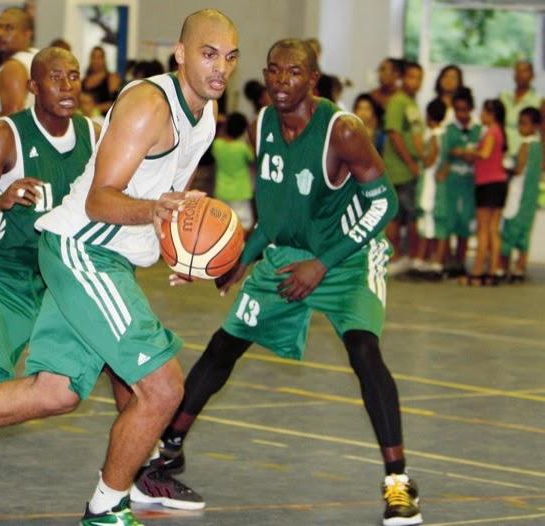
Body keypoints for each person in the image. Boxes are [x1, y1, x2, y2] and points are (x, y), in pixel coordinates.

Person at [0, 11, 237, 525]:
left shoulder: (203, 115)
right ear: (181, 53)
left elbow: (160, 199)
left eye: (230, 57)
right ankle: (107, 509)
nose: (220, 68)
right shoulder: (147, 105)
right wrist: (159, 213)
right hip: (84, 249)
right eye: (209, 54)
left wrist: (179, 250)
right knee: (162, 388)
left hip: (106, 254)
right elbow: (101, 200)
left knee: (55, 391)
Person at [156, 39, 422, 526]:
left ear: (313, 80)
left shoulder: (343, 131)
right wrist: (240, 260)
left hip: (349, 254)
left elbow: (384, 202)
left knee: (365, 352)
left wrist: (322, 264)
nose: (282, 82)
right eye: (274, 72)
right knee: (224, 345)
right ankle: (167, 452)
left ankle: (399, 484)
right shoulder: (263, 124)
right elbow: (273, 213)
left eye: (294, 73)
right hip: (289, 253)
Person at [382, 60, 424, 274]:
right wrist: (409, 162)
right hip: (398, 170)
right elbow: (394, 133)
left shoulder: (412, 103)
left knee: (410, 215)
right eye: (411, 77)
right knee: (395, 216)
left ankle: (406, 256)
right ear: (403, 78)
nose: (415, 82)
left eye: (419, 78)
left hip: (412, 169)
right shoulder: (397, 102)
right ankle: (393, 256)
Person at [461, 99, 508, 286]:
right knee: (493, 230)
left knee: (483, 230)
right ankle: (492, 270)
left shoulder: (491, 132)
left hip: (487, 184)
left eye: (484, 112)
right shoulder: (500, 132)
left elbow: (485, 154)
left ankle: (478, 271)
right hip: (499, 183)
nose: (481, 115)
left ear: (492, 114)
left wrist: (469, 152)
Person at [440, 87, 480, 277]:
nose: (462, 114)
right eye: (458, 110)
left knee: (465, 220)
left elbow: (475, 156)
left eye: (465, 110)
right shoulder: (449, 130)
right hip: (452, 180)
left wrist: (462, 153)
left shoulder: (479, 130)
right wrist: (465, 153)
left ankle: (461, 261)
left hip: (469, 180)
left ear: (471, 109)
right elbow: (449, 152)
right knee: (450, 219)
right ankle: (449, 261)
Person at [499, 107, 542, 282]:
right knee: (525, 233)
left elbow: (518, 169)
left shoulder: (525, 145)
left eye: (524, 123)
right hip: (531, 197)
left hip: (518, 194)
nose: (520, 127)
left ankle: (504, 266)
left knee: (510, 229)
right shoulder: (540, 147)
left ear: (535, 126)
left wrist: (505, 168)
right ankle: (520, 267)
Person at [0, 6, 37, 121]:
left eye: (9, 28)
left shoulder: (13, 67)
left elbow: (13, 125)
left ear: (27, 34)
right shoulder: (37, 56)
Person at [414, 98, 448, 277]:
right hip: (432, 187)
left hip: (432, 188)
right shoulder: (442, 135)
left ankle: (436, 262)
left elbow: (429, 161)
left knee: (435, 224)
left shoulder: (436, 136)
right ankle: (428, 259)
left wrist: (419, 148)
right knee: (429, 224)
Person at [212, 112, 255, 230]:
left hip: (222, 190)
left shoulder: (217, 145)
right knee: (244, 223)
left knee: (222, 223)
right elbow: (253, 159)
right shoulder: (242, 148)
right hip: (240, 191)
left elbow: (219, 135)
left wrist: (221, 125)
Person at [500, 61, 539, 160]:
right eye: (517, 71)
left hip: (526, 156)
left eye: (524, 71)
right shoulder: (503, 96)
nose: (520, 74)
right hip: (503, 154)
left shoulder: (539, 101)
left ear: (532, 75)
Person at [83, 45, 121, 115]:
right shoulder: (85, 80)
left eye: (99, 57)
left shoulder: (111, 77)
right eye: (93, 57)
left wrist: (94, 108)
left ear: (104, 59)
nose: (96, 60)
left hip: (103, 119)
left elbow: (116, 102)